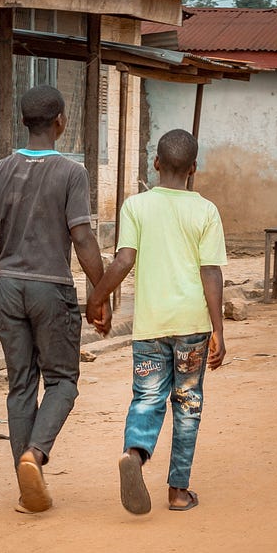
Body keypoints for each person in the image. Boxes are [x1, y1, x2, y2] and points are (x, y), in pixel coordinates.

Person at [0, 85, 110, 514]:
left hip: (7, 287)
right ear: (61, 121)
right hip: (51, 289)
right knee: (63, 381)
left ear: (22, 122)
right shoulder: (72, 173)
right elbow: (82, 237)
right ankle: (35, 456)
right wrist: (100, 295)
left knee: (20, 386)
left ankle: (27, 483)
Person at [86, 129, 227, 515]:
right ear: (194, 169)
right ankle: (178, 491)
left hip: (150, 326)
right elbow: (211, 271)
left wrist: (96, 297)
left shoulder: (136, 206)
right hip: (193, 326)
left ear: (156, 163)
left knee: (147, 397)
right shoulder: (206, 211)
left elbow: (124, 260)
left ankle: (135, 453)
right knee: (187, 403)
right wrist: (218, 329)